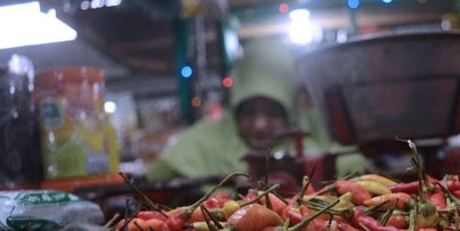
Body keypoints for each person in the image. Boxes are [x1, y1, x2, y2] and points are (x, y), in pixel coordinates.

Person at [147, 38, 364, 181]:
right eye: (249, 112)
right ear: (234, 110)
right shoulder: (205, 141)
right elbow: (154, 179)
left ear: (291, 111)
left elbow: (359, 163)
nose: (260, 125)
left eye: (273, 113)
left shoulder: (318, 128)